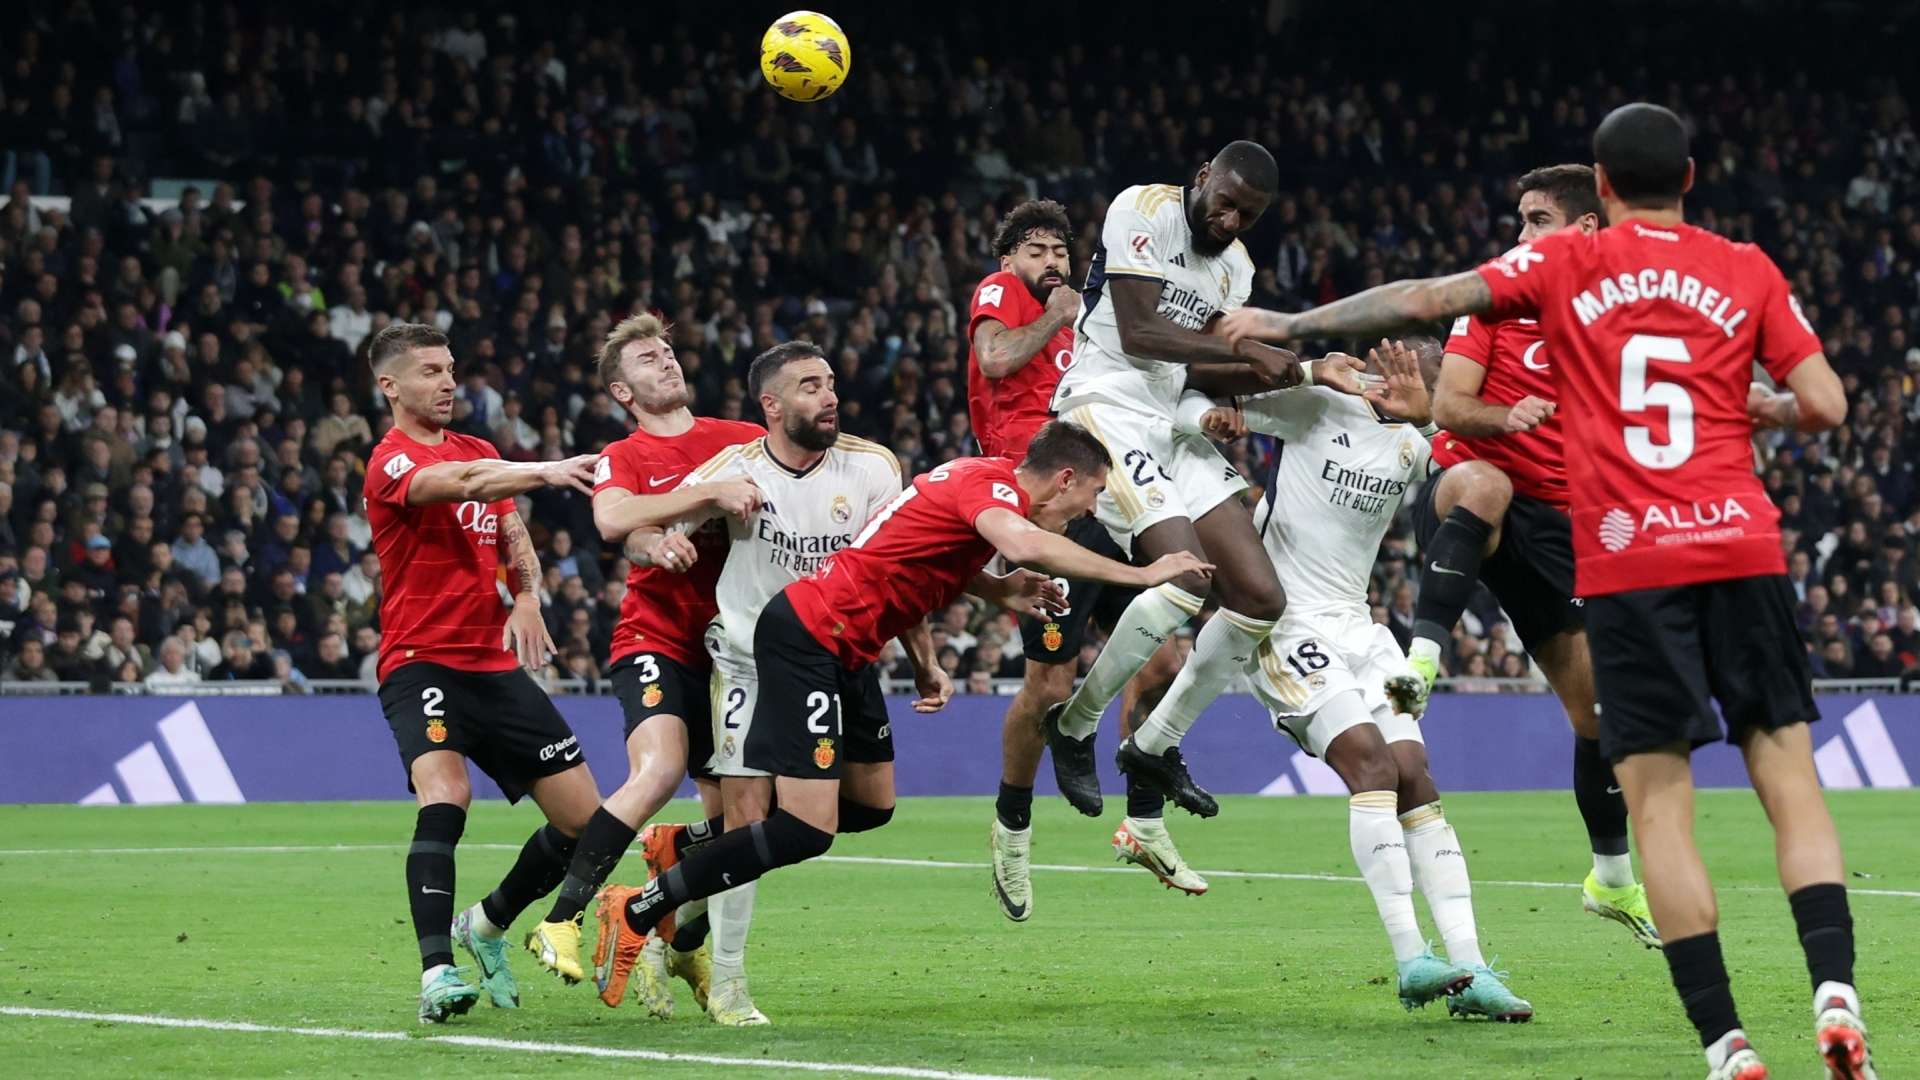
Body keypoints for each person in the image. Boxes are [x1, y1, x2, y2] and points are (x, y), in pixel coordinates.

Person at [1221, 103, 1870, 1080]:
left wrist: (1292, 323)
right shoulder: (1746, 266)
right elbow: (1825, 404)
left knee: (1658, 805)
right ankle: (1834, 993)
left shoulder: (1568, 266)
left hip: (1628, 552)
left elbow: (1423, 300)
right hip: (1737, 542)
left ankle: (1727, 1043)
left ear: (1601, 193)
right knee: (1792, 782)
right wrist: (1763, 407)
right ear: (1688, 178)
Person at [611, 422, 1210, 1017]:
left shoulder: (974, 483)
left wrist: (997, 593)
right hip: (808, 639)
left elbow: (913, 549)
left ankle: (694, 858)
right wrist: (1141, 576)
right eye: (1095, 493)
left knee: (870, 807)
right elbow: (1024, 544)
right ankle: (643, 908)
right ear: (1066, 479)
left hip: (848, 648)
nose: (1092, 508)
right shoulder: (995, 491)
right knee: (803, 830)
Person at [1185, 338, 1531, 1020]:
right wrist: (1213, 418)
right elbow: (1203, 391)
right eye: (1405, 364)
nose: (1396, 375)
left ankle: (1473, 967)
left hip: (1367, 636)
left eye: (1428, 373)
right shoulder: (1318, 403)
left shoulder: (1420, 441)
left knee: (1416, 774)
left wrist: (1428, 418)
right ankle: (1411, 959)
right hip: (1285, 628)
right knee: (1372, 766)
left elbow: (1471, 482)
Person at [1042, 140, 1366, 820]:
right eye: (1225, 205)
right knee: (1185, 575)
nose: (1231, 223)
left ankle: (1155, 744)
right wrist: (1245, 345)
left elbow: (1204, 371)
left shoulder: (1236, 269)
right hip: (1105, 406)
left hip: (1168, 420)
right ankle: (1074, 724)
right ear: (1201, 180)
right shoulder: (1144, 208)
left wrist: (1305, 369)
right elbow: (1138, 332)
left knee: (1258, 595)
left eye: (1247, 215)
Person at [603, 341, 910, 1025]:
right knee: (751, 817)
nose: (828, 396)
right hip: (748, 660)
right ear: (772, 405)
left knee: (869, 806)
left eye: (830, 382)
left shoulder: (873, 469)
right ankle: (731, 985)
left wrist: (923, 656)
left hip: (841, 659)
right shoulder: (733, 471)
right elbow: (634, 525)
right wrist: (661, 543)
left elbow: (898, 568)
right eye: (809, 386)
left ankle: (678, 874)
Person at [1398, 163, 1658, 948]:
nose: (1519, 235)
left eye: (1535, 220)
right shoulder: (1495, 296)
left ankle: (1611, 881)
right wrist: (1508, 416)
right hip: (1471, 490)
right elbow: (1447, 406)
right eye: (1518, 219)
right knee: (1482, 485)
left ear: (1582, 229)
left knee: (1601, 717)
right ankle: (1420, 662)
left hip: (1561, 528)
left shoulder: (1625, 318)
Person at [360, 321, 605, 1024]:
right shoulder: (391, 463)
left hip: (492, 664)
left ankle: (489, 923)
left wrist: (526, 596)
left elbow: (509, 531)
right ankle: (436, 972)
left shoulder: (480, 449)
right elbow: (461, 482)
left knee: (584, 822)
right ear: (391, 385)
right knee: (447, 794)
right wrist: (547, 469)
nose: (447, 381)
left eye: (450, 368)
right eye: (431, 371)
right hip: (420, 659)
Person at [966, 198, 1198, 916]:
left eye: (1061, 250)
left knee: (1166, 660)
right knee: (1048, 687)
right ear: (1010, 262)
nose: (1052, 261)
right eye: (1035, 250)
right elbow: (995, 356)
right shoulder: (1004, 294)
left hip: (1107, 495)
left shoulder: (1090, 319)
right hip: (1039, 504)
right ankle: (1010, 830)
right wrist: (1057, 311)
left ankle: (1144, 820)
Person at [522, 314, 763, 1004]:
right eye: (648, 361)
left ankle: (673, 922)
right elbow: (616, 523)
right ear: (624, 392)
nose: (666, 363)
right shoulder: (621, 455)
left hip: (736, 655)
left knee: (738, 827)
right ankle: (562, 919)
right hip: (655, 639)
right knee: (657, 768)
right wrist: (665, 534)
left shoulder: (738, 440)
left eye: (668, 352)